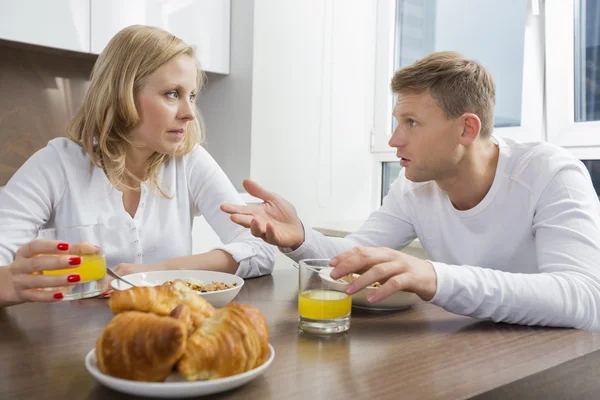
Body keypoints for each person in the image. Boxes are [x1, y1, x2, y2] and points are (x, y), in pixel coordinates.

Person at [222, 51, 600, 331]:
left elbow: (582, 298)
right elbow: (357, 255)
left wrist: (434, 277)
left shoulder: (552, 174)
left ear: (467, 129)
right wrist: (300, 237)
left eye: (412, 122)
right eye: (397, 122)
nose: (394, 139)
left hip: (559, 363)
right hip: (470, 350)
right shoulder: (413, 187)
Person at [0, 25, 275, 307]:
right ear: (123, 95)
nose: (189, 113)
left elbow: (261, 250)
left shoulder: (188, 162)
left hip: (165, 336)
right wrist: (12, 283)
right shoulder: (57, 164)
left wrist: (160, 272)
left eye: (191, 96)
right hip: (69, 345)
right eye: (172, 94)